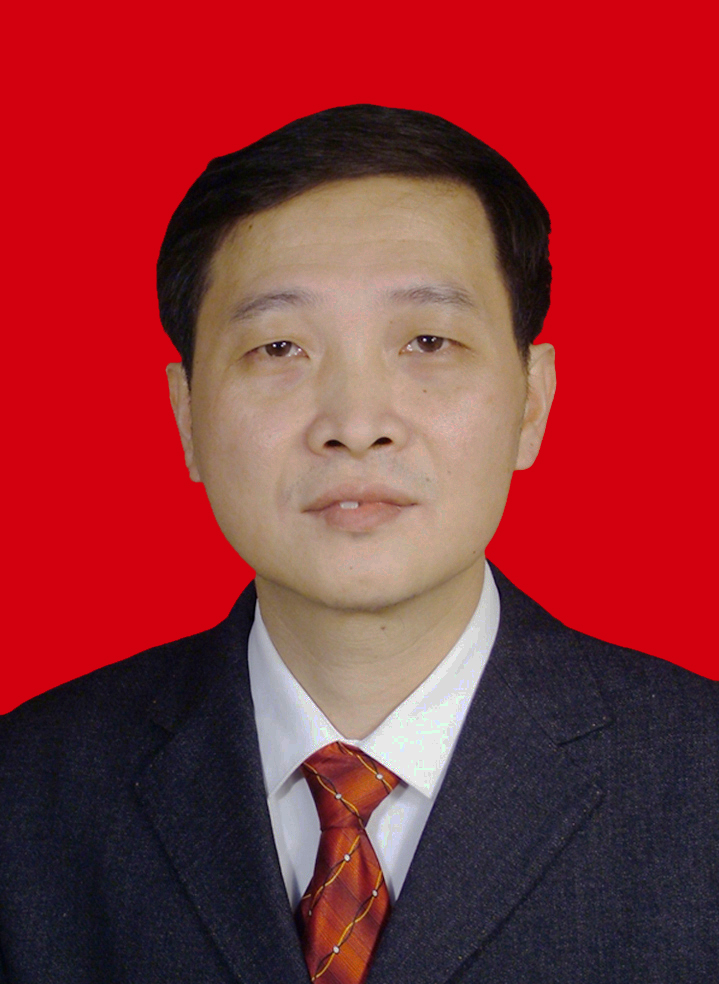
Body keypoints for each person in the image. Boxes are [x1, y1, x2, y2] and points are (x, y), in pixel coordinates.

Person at [1, 105, 717, 984]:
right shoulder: (27, 794)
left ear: (532, 400)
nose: (354, 422)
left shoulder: (698, 778)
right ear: (186, 416)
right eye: (279, 347)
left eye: (427, 341)